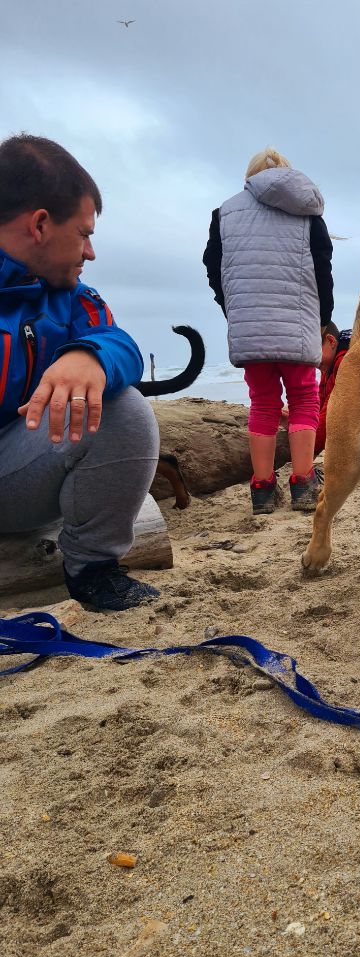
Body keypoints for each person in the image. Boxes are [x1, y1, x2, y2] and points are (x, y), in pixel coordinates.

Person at [0, 134, 160, 611]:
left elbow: (122, 344)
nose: (89, 252)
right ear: (41, 225)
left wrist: (88, 355)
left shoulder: (70, 297)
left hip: (15, 474)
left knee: (125, 409)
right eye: (84, 233)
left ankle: (92, 569)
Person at [203, 146, 333, 514]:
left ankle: (261, 490)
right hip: (298, 319)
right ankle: (304, 483)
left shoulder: (224, 213)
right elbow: (323, 268)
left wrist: (232, 309)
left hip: (249, 323)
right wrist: (323, 317)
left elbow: (214, 267)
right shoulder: (306, 212)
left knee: (262, 401)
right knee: (305, 396)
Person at [314, 323, 350, 456]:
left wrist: (309, 446)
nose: (313, 362)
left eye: (315, 353)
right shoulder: (328, 366)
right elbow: (321, 401)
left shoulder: (344, 362)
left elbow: (330, 411)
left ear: (331, 341)